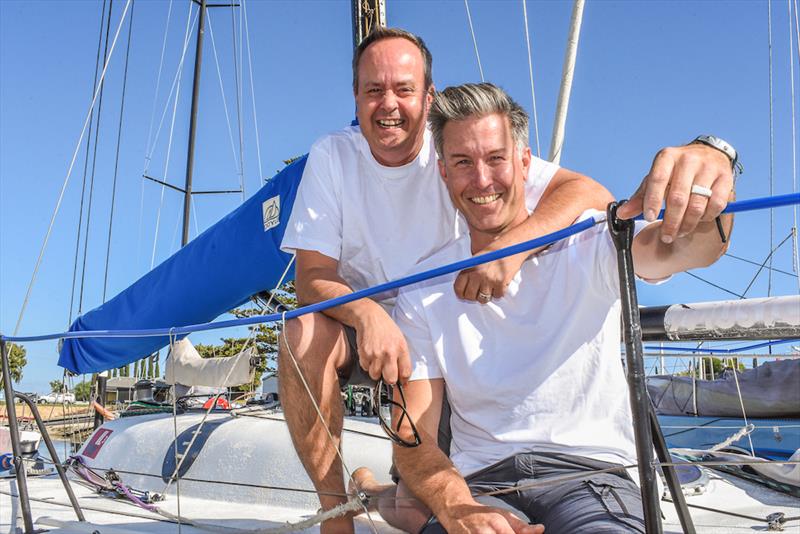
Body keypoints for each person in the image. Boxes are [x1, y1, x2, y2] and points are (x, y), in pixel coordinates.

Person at [278, 27, 735, 533]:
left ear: (525, 163)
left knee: (411, 509)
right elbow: (412, 435)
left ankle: (376, 492)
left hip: (589, 483)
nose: (482, 180)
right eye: (463, 164)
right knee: (306, 336)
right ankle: (336, 508)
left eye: (496, 160)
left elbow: (687, 245)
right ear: (444, 173)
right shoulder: (422, 279)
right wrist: (456, 506)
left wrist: (712, 168)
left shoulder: (587, 241)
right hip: (465, 458)